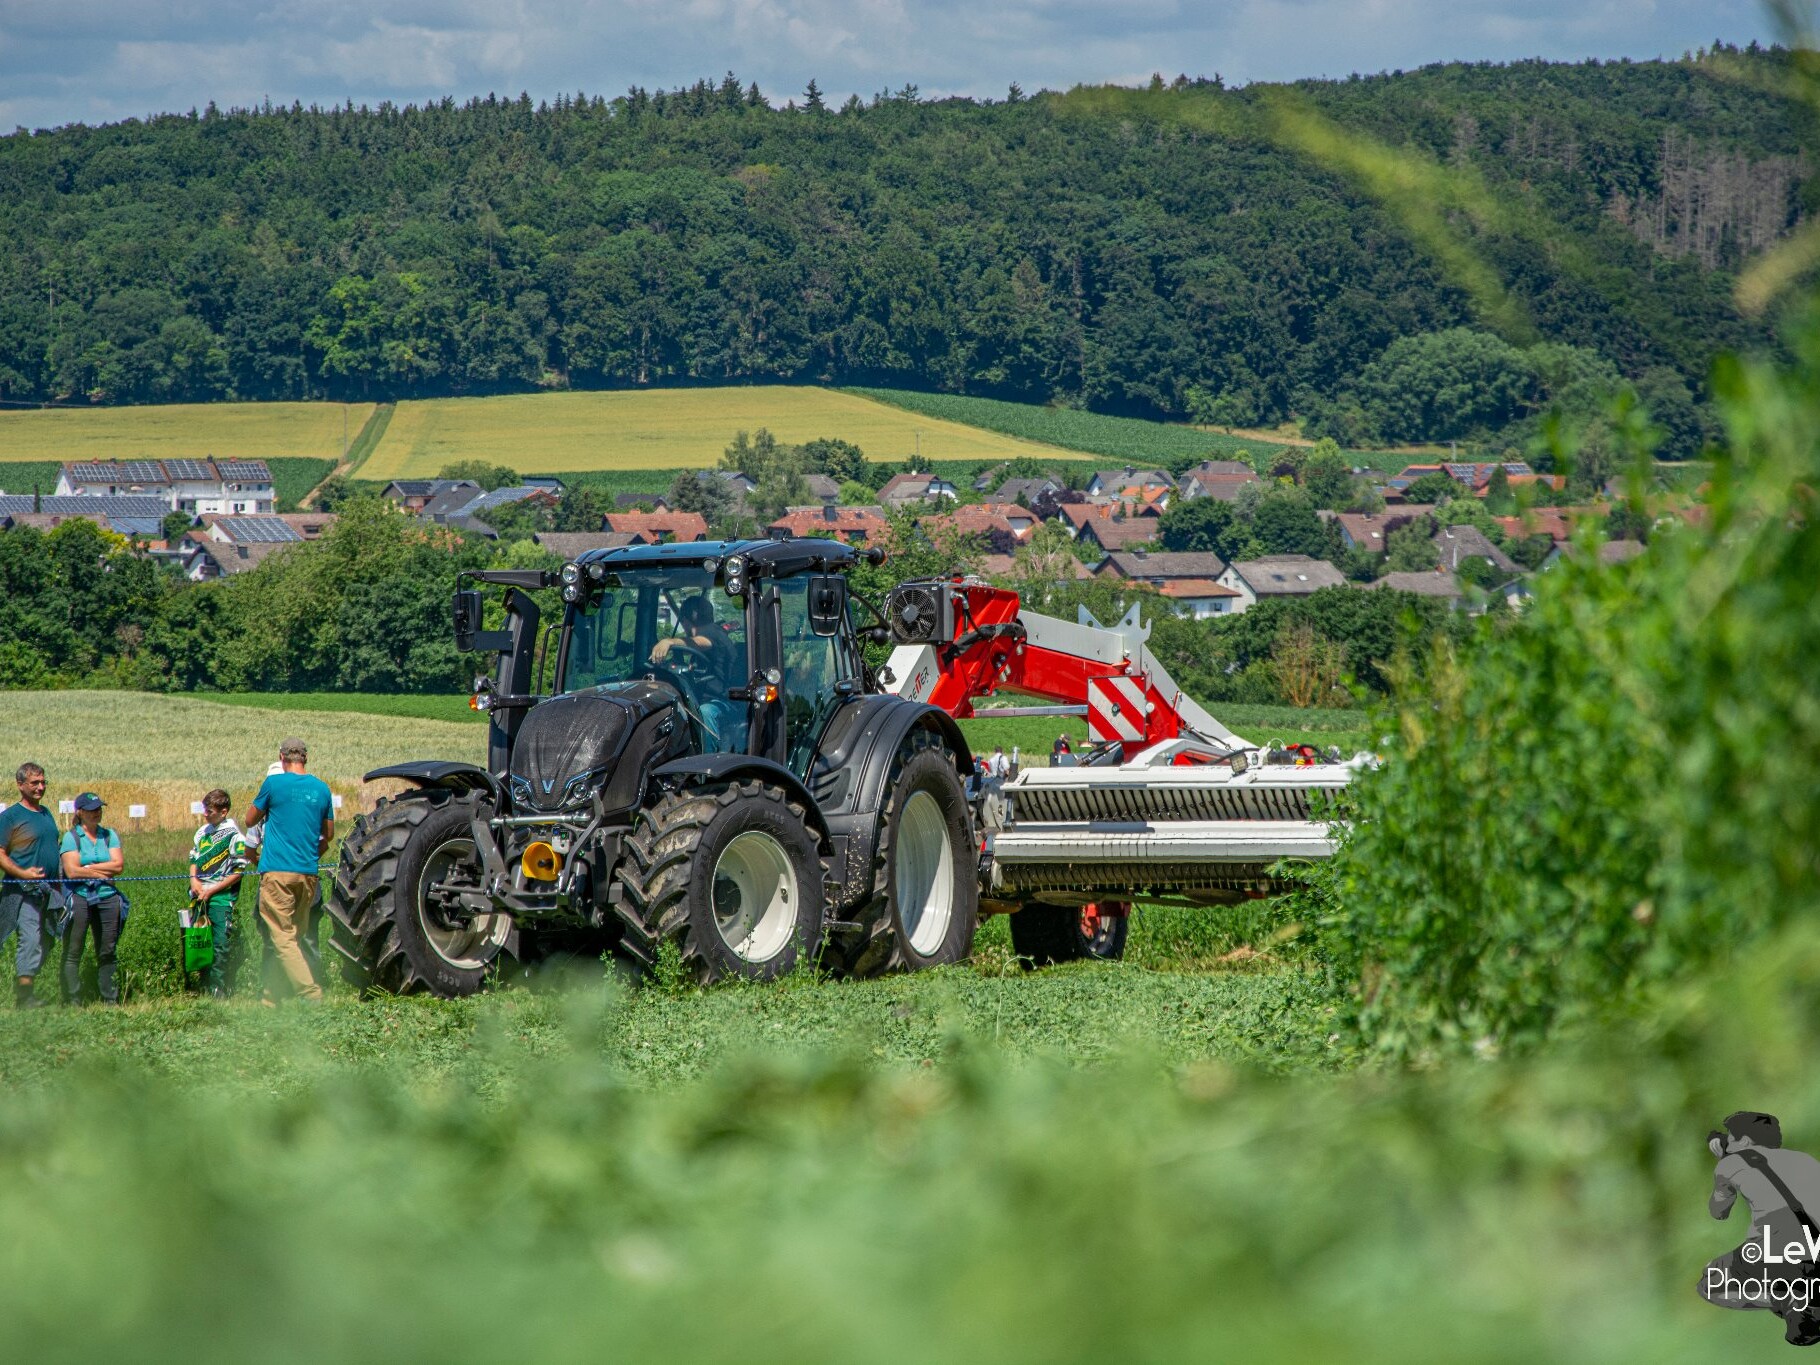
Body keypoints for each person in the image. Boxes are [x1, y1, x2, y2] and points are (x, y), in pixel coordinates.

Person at [1699, 1111, 1820, 1345]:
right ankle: (1803, 1297)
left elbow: (1718, 1212)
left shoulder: (1730, 1164)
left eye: (1732, 1138)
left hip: (1781, 1249)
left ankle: (1789, 1300)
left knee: (1710, 1282)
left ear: (1744, 1140)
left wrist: (1723, 1163)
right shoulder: (1804, 1159)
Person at [244, 738, 334, 1004]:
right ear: (306, 758)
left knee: (282, 938)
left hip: (277, 872)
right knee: (293, 936)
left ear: (281, 757)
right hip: (307, 874)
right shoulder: (322, 789)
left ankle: (310, 994)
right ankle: (271, 998)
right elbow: (328, 835)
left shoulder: (273, 784)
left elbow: (250, 820)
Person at [58, 792, 126, 1006]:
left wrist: (89, 868)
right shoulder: (72, 837)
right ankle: (73, 998)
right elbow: (72, 871)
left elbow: (118, 866)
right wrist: (100, 873)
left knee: (107, 949)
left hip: (108, 897)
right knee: (74, 949)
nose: (97, 812)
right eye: (91, 809)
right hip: (80, 897)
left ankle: (109, 999)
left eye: (99, 808)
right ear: (80, 812)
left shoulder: (109, 835)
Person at [0, 762, 57, 1009]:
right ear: (20, 784)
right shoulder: (10, 817)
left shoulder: (46, 814)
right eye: (35, 783)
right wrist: (22, 873)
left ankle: (25, 985)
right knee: (30, 938)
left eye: (43, 782)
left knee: (48, 938)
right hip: (22, 891)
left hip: (51, 889)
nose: (40, 787)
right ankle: (24, 997)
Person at [188, 788, 248, 998]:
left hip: (221, 897)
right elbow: (194, 858)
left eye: (210, 811)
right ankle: (202, 985)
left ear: (224, 812)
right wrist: (193, 879)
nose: (206, 814)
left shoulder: (235, 836)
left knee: (220, 943)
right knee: (199, 941)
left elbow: (239, 871)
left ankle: (219, 987)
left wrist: (212, 890)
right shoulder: (202, 832)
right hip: (198, 895)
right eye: (205, 810)